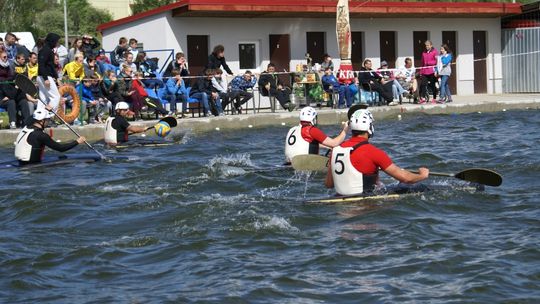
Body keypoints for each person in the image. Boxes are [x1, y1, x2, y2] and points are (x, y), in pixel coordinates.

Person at [325, 108, 429, 196]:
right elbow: (406, 178)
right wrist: (422, 175)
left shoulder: (335, 150)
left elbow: (329, 184)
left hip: (340, 201)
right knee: (416, 187)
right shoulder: (373, 152)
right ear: (369, 128)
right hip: (366, 205)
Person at [14, 109, 86, 165]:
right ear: (41, 121)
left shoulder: (26, 127)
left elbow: (32, 117)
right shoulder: (41, 135)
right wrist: (77, 142)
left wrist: (46, 109)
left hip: (21, 162)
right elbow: (61, 148)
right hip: (32, 167)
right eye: (47, 119)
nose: (49, 121)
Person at [284, 106, 349, 163]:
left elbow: (304, 144)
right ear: (313, 119)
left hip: (290, 162)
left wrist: (326, 146)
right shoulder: (312, 130)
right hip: (306, 162)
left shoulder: (292, 129)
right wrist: (345, 130)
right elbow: (335, 143)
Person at [0, 51, 31, 128]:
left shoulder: (9, 69)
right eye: (4, 57)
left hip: (11, 93)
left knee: (23, 101)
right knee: (11, 102)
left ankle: (27, 122)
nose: (6, 58)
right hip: (2, 96)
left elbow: (13, 77)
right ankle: (12, 122)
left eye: (7, 57)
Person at [37, 33, 61, 112]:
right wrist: (45, 78)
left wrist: (57, 78)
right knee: (56, 97)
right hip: (44, 76)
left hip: (44, 76)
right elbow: (41, 65)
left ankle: (38, 119)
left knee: (43, 99)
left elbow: (51, 66)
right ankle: (48, 115)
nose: (57, 43)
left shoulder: (49, 50)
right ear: (52, 41)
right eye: (56, 41)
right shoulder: (45, 50)